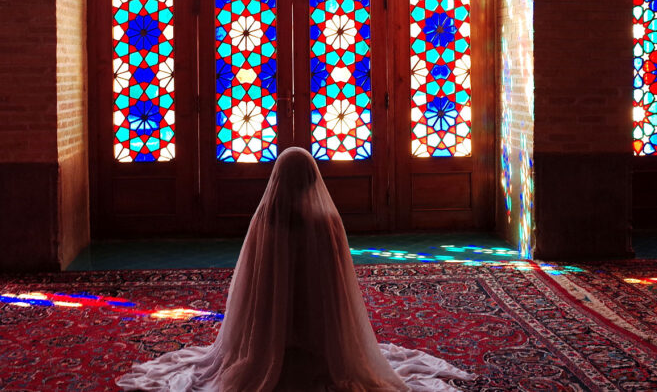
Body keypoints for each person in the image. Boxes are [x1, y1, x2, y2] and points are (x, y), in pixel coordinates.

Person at [117, 147, 473, 391]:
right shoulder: (327, 220)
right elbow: (336, 290)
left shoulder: (268, 221)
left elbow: (259, 289)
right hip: (322, 334)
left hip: (271, 332)